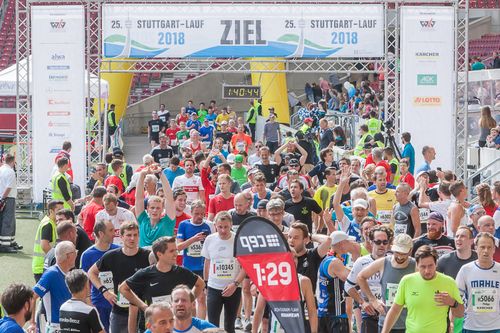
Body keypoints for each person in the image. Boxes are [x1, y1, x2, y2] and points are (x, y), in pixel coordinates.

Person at [119, 236, 204, 331]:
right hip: (153, 327)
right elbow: (123, 289)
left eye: (176, 250)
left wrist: (188, 302)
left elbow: (200, 284)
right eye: (172, 251)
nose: (176, 254)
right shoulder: (145, 274)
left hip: (175, 326)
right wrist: (143, 306)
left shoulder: (182, 272)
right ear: (159, 254)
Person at [381, 245, 464, 333]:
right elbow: (395, 310)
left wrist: (452, 302)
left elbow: (460, 314)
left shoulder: (449, 282)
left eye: (430, 266)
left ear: (436, 263)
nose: (427, 271)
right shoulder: (407, 281)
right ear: (417, 265)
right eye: (423, 267)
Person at [88, 221, 151, 333]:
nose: (132, 238)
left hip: (142, 312)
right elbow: (91, 273)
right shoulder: (111, 256)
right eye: (128, 235)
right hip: (119, 312)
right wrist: (105, 292)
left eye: (135, 235)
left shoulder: (147, 256)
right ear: (121, 237)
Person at [358, 234, 416, 333]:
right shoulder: (383, 262)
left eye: (403, 253)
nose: (399, 256)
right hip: (386, 324)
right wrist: (373, 300)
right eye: (397, 252)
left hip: (409, 324)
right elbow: (361, 277)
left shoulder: (416, 266)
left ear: (410, 250)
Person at [202, 211, 246, 333]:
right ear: (215, 225)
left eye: (226, 227)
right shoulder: (210, 239)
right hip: (214, 287)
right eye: (220, 227)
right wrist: (205, 284)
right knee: (212, 325)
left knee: (229, 325)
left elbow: (245, 267)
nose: (223, 230)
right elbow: (207, 262)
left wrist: (235, 284)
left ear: (231, 224)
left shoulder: (238, 239)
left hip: (233, 288)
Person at [345, 226, 393, 333]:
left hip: (389, 313)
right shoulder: (361, 262)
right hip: (370, 313)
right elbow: (348, 286)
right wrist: (362, 302)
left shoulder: (393, 261)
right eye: (378, 242)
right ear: (371, 242)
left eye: (385, 242)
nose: (382, 245)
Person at [80, 220, 120, 332]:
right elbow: (84, 281)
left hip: (118, 303)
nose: (114, 233)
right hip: (98, 304)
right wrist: (88, 303)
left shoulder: (118, 250)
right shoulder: (87, 254)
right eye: (111, 230)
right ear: (101, 234)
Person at [456, 232, 500, 332]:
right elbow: (456, 298)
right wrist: (452, 322)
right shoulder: (465, 270)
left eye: (489, 247)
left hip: (496, 327)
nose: (486, 251)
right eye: (482, 247)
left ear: (494, 249)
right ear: (476, 248)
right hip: (471, 327)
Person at [29, 241, 76, 332]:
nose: (76, 254)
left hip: (70, 326)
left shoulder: (69, 274)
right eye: (75, 252)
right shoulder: (51, 274)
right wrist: (32, 323)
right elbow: (32, 296)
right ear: (68, 256)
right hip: (56, 328)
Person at [317, 231, 357, 333]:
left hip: (325, 313)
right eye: (349, 242)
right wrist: (356, 255)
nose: (352, 244)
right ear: (341, 244)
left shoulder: (328, 259)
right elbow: (352, 279)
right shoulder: (334, 262)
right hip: (335, 315)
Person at [176, 200, 211, 318]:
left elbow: (209, 249)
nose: (200, 216)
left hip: (201, 268)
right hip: (188, 267)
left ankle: (201, 326)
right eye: (197, 213)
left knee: (201, 298)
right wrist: (194, 239)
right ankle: (191, 324)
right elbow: (179, 247)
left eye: (202, 214)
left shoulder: (206, 227)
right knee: (189, 299)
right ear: (191, 212)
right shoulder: (184, 225)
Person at [136, 165, 176, 247]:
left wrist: (160, 174)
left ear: (162, 209)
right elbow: (139, 198)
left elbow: (169, 199)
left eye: (158, 208)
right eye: (152, 208)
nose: (155, 210)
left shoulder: (167, 222)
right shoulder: (143, 219)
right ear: (147, 208)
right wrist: (142, 175)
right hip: (143, 259)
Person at [32, 200, 64, 281]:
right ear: (51, 211)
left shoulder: (51, 222)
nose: (61, 213)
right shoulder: (48, 224)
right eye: (59, 210)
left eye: (62, 210)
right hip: (43, 266)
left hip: (44, 265)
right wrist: (56, 260)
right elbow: (44, 246)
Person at [0, 153, 20, 253]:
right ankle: (5, 245)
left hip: (3, 197)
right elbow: (8, 187)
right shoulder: (10, 171)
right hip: (8, 198)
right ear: (12, 161)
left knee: (5, 220)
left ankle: (10, 241)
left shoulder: (1, 169)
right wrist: (4, 199)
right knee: (8, 221)